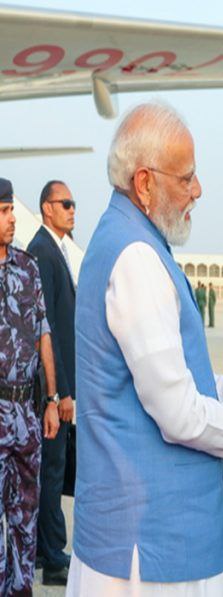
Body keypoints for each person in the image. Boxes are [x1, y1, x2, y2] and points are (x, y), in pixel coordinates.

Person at [69, 102, 223, 596]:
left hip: (148, 540)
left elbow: (178, 375)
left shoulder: (130, 240)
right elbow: (179, 413)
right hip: (151, 550)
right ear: (145, 183)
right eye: (186, 177)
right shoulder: (136, 258)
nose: (198, 189)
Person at [0, 177, 59, 596]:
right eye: (4, 211)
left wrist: (51, 399)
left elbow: (44, 334)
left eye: (11, 210)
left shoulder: (27, 266)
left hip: (26, 413)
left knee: (25, 517)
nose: (12, 218)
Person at [26, 179, 78, 585]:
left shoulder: (55, 249)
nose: (72, 210)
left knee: (52, 469)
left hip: (58, 386)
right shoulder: (43, 251)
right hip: (52, 390)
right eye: (66, 204)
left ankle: (45, 551)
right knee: (51, 470)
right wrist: (58, 392)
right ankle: (54, 556)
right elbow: (47, 331)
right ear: (47, 208)